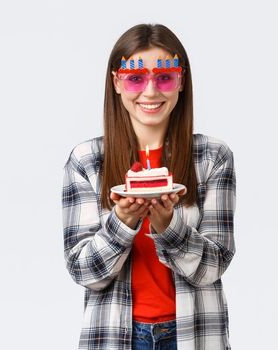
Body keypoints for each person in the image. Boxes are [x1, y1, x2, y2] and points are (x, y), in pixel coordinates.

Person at [62, 23, 236, 350]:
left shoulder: (213, 158)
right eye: (136, 78)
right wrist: (123, 222)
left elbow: (213, 265)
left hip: (194, 335)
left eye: (164, 77)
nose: (151, 92)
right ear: (117, 82)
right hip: (116, 337)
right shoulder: (87, 160)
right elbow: (84, 271)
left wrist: (168, 226)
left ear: (181, 81)